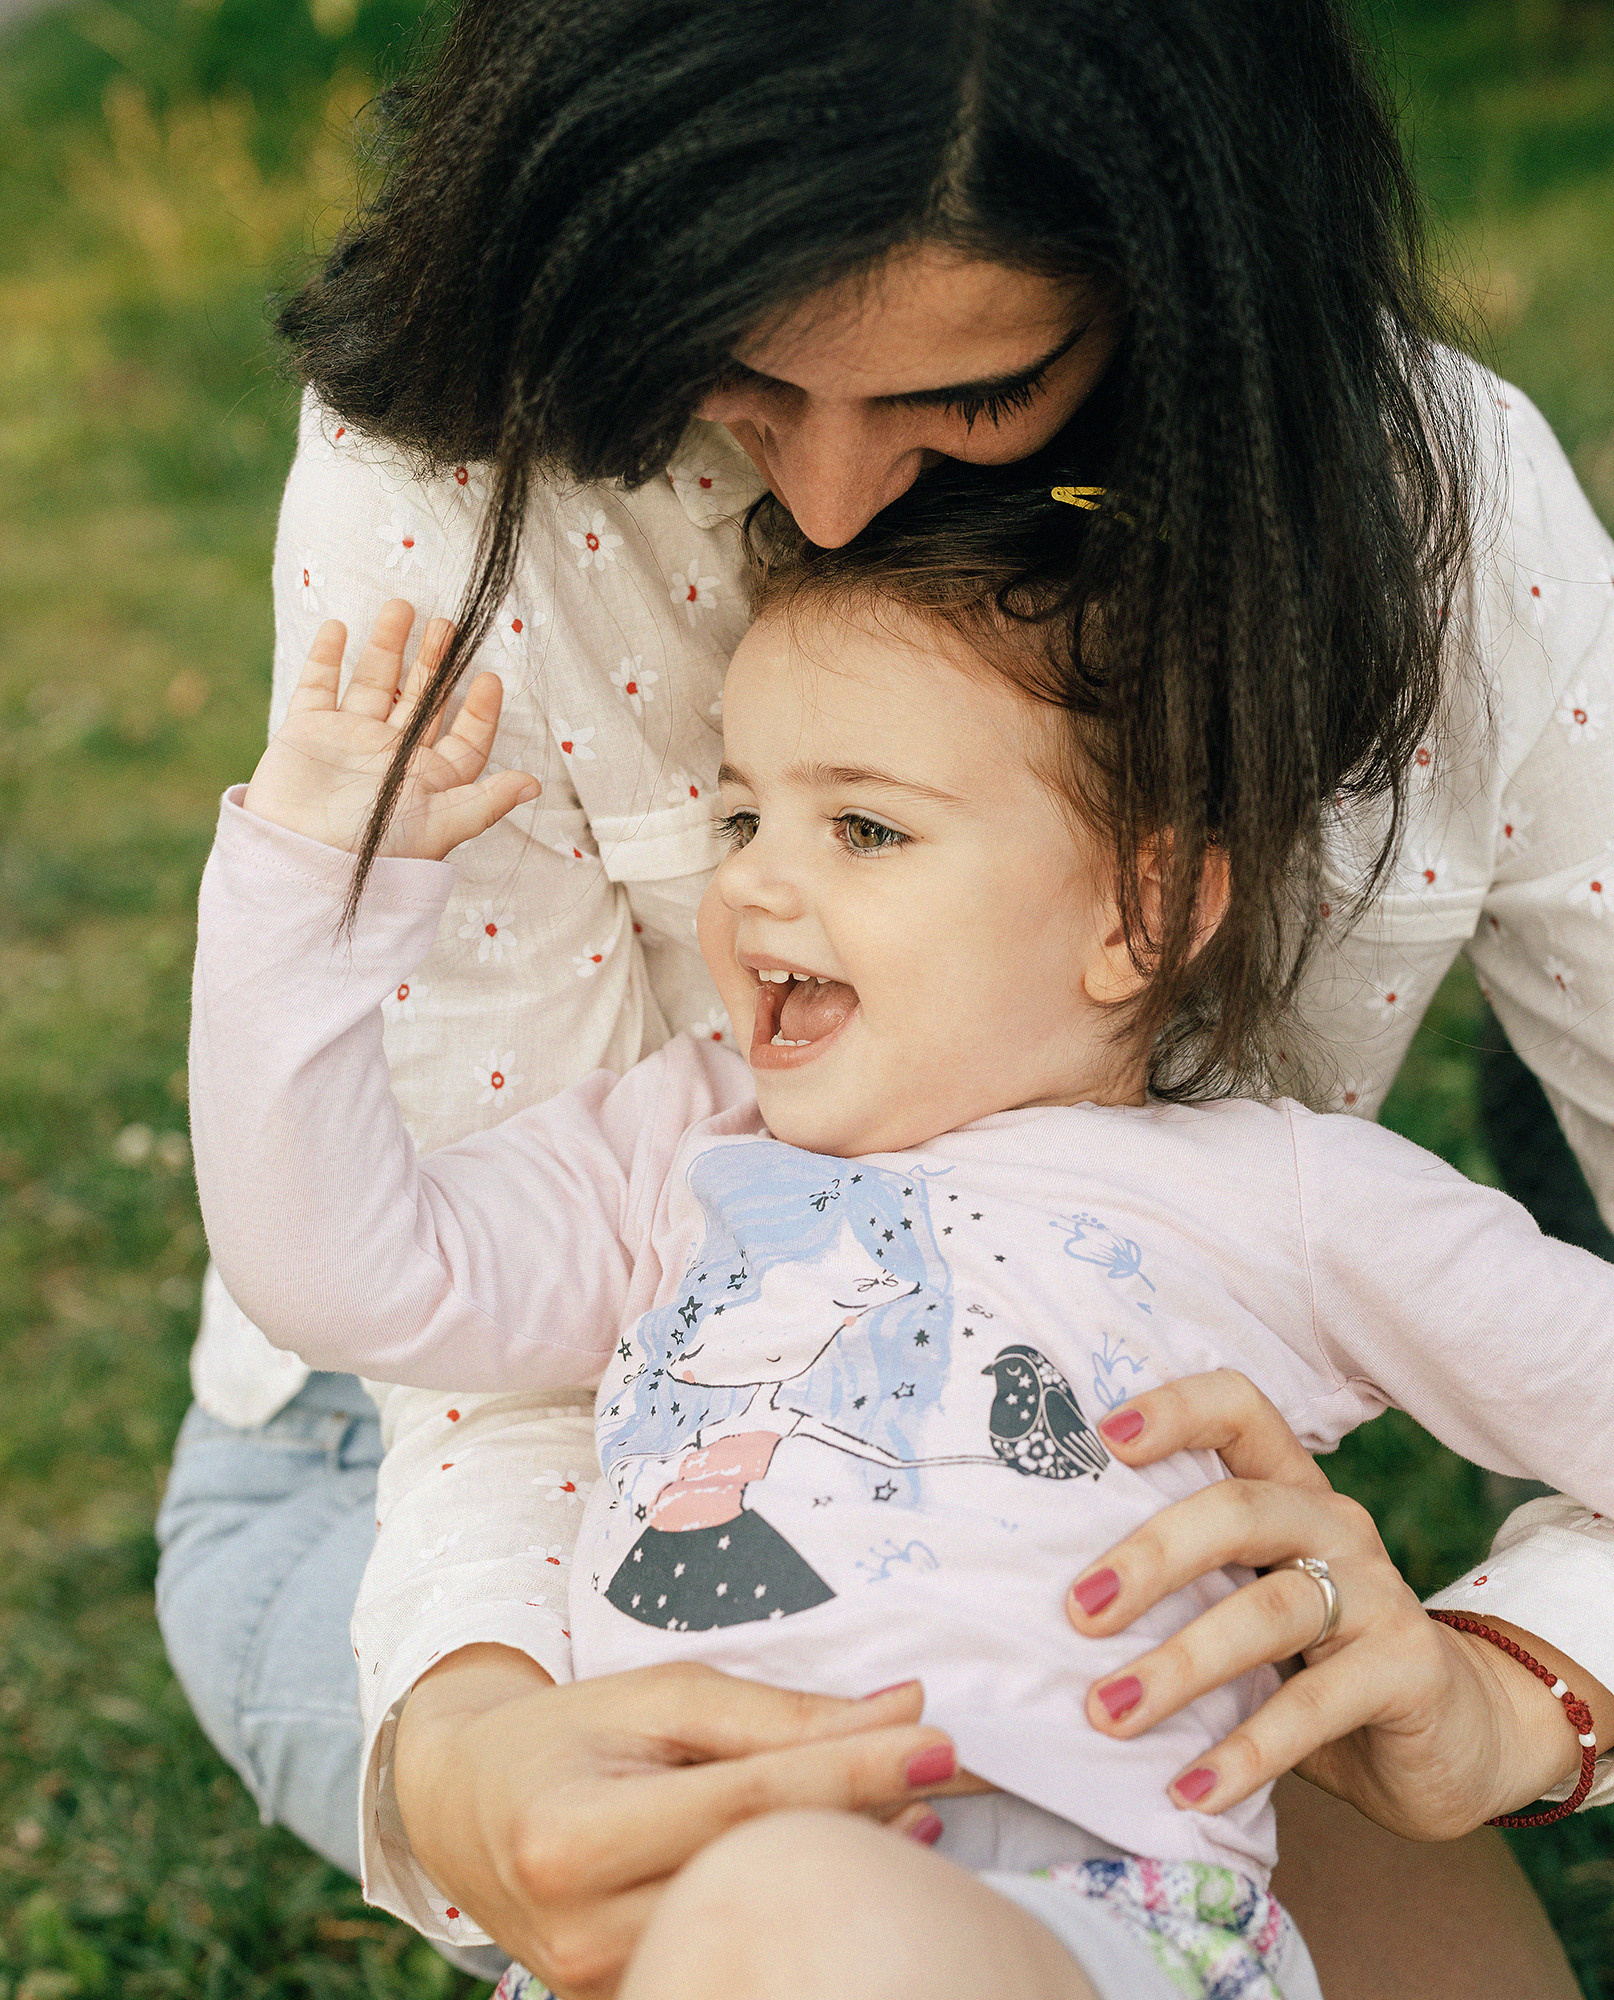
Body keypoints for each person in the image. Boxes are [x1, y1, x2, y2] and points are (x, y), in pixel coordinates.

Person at [152, 1, 1614, 1992]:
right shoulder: (681, 1139)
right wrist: (474, 1748)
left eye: (983, 389)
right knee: (785, 1911)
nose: (831, 502)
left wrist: (1528, 1681)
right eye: (737, 811)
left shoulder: (1265, 1186)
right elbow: (404, 1300)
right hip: (448, 1500)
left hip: (1106, 1827)